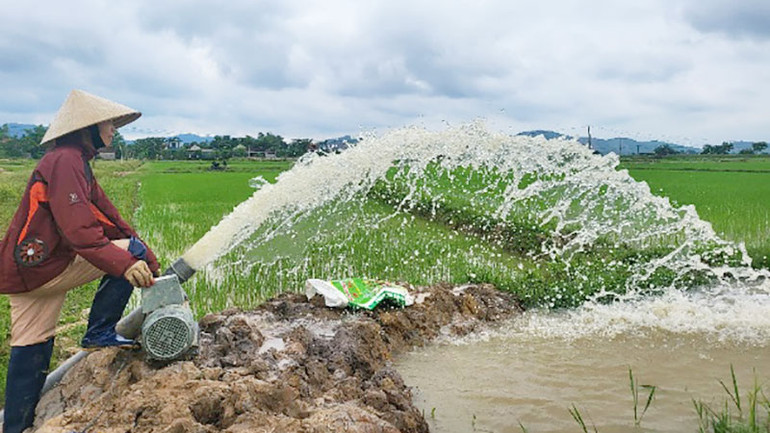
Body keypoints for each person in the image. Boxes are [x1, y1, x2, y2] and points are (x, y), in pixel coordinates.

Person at [0, 89, 160, 433]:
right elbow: (80, 231)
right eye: (109, 123)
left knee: (31, 347)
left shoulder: (73, 162)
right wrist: (130, 260)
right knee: (126, 253)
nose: (114, 129)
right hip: (42, 267)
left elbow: (107, 215)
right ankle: (100, 330)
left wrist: (148, 255)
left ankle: (15, 427)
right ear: (88, 127)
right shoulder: (66, 161)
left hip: (25, 269)